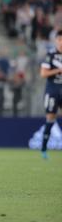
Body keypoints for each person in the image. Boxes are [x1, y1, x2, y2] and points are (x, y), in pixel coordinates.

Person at [39, 29, 62, 159]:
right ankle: (43, 148)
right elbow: (43, 73)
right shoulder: (51, 55)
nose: (61, 43)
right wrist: (58, 70)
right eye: (59, 40)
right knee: (51, 118)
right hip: (53, 90)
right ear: (56, 41)